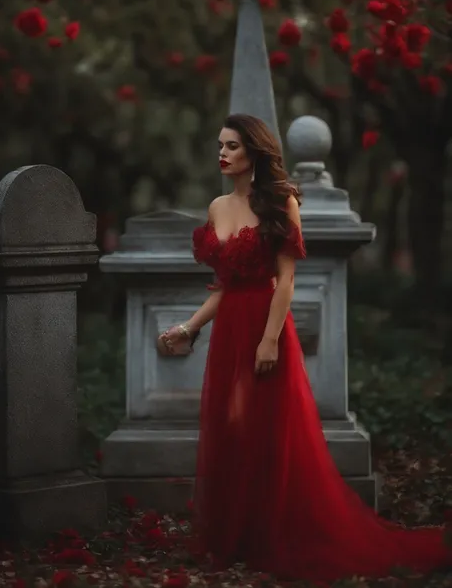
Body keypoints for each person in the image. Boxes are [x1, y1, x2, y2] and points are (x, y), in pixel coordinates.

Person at [157, 113, 451, 582]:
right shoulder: (216, 207)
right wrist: (188, 329)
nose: (223, 153)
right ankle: (242, 536)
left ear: (253, 151)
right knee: (232, 427)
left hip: (267, 327)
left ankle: (277, 534)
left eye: (232, 146)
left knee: (267, 430)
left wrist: (270, 338)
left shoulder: (280, 202)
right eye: (220, 145)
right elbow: (223, 286)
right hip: (231, 329)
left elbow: (287, 279)